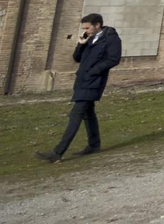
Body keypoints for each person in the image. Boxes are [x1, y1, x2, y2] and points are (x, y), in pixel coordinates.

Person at [37, 12, 121, 162]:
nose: (85, 30)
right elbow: (77, 58)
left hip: (94, 82)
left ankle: (57, 152)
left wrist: (93, 72)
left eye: (87, 28)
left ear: (97, 25)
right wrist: (81, 44)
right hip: (82, 80)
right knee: (88, 114)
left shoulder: (111, 38)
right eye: (84, 28)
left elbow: (113, 59)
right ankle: (94, 145)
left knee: (76, 114)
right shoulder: (90, 38)